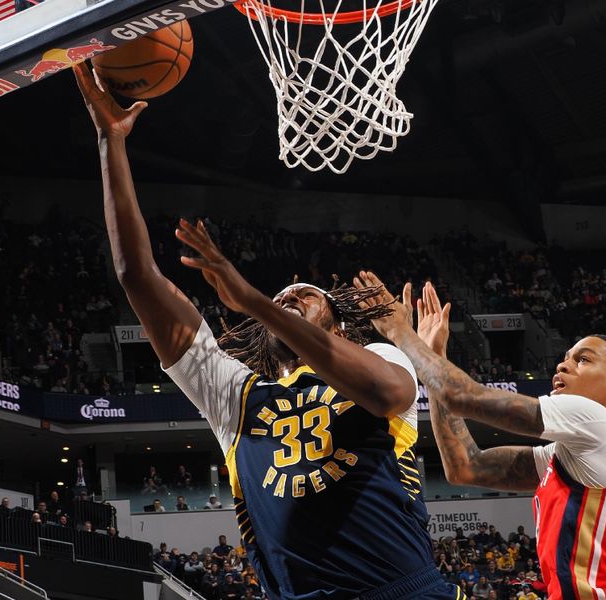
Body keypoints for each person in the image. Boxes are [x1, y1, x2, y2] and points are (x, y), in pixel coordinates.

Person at [74, 63, 463, 600]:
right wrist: (109, 142)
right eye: (282, 299)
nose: (291, 298)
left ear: (337, 322)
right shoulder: (231, 395)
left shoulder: (379, 354)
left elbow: (388, 394)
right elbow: (136, 276)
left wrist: (256, 301)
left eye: (307, 296)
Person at [357, 274, 606, 600]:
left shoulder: (600, 423)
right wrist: (435, 357)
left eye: (582, 359)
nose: (563, 366)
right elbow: (466, 467)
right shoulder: (587, 450)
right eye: (565, 357)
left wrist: (401, 334)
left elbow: (461, 395)